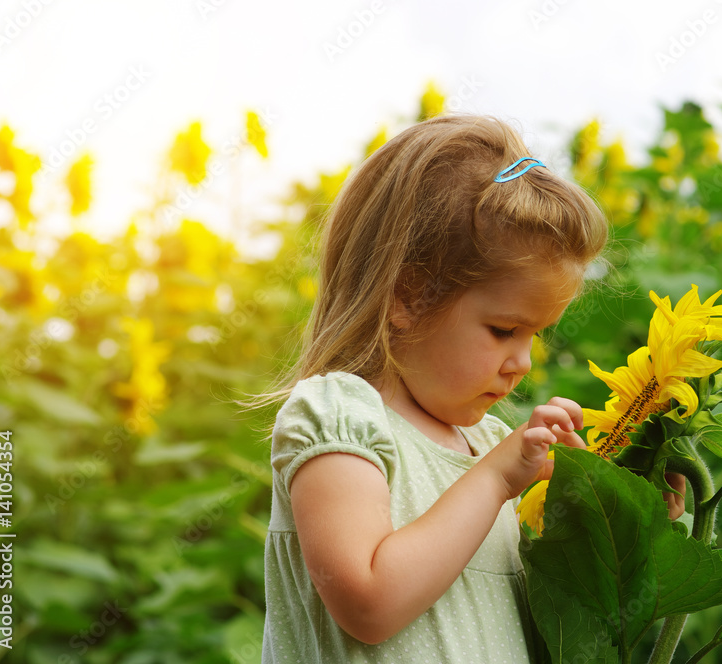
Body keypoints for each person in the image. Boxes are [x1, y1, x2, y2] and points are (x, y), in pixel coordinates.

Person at [260, 115, 679, 663]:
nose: (523, 362)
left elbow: (553, 627)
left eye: (535, 334)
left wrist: (627, 527)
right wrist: (497, 480)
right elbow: (368, 602)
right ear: (409, 296)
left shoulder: (488, 444)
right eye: (504, 330)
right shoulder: (340, 415)